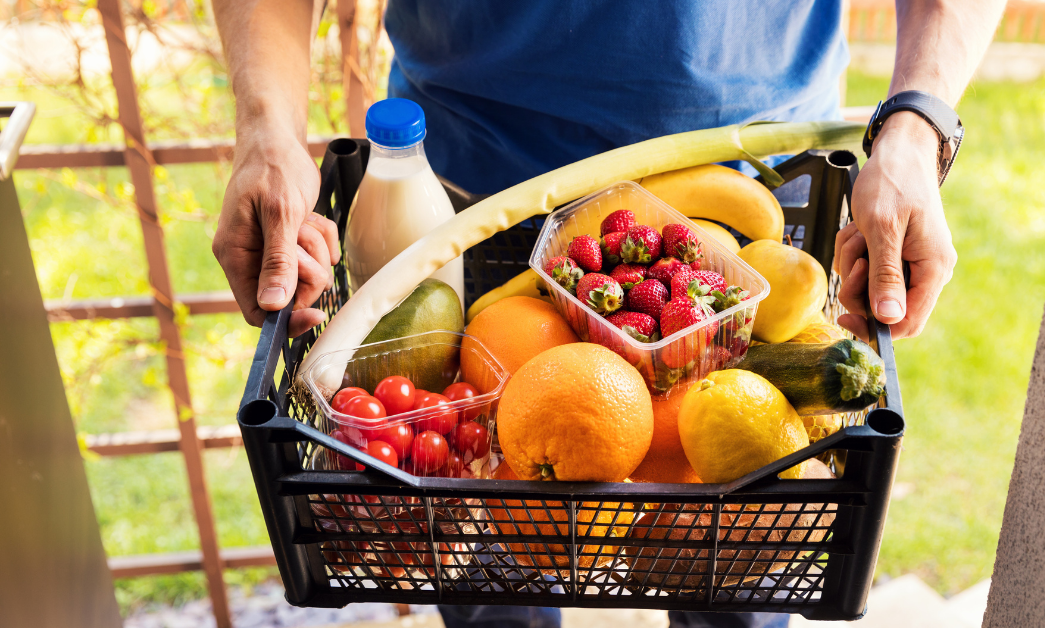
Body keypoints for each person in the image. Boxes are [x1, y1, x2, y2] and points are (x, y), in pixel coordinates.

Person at [213, 1, 1004, 626]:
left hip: (755, 199)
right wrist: (266, 129)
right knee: (491, 556)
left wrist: (916, 128)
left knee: (739, 571)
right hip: (464, 204)